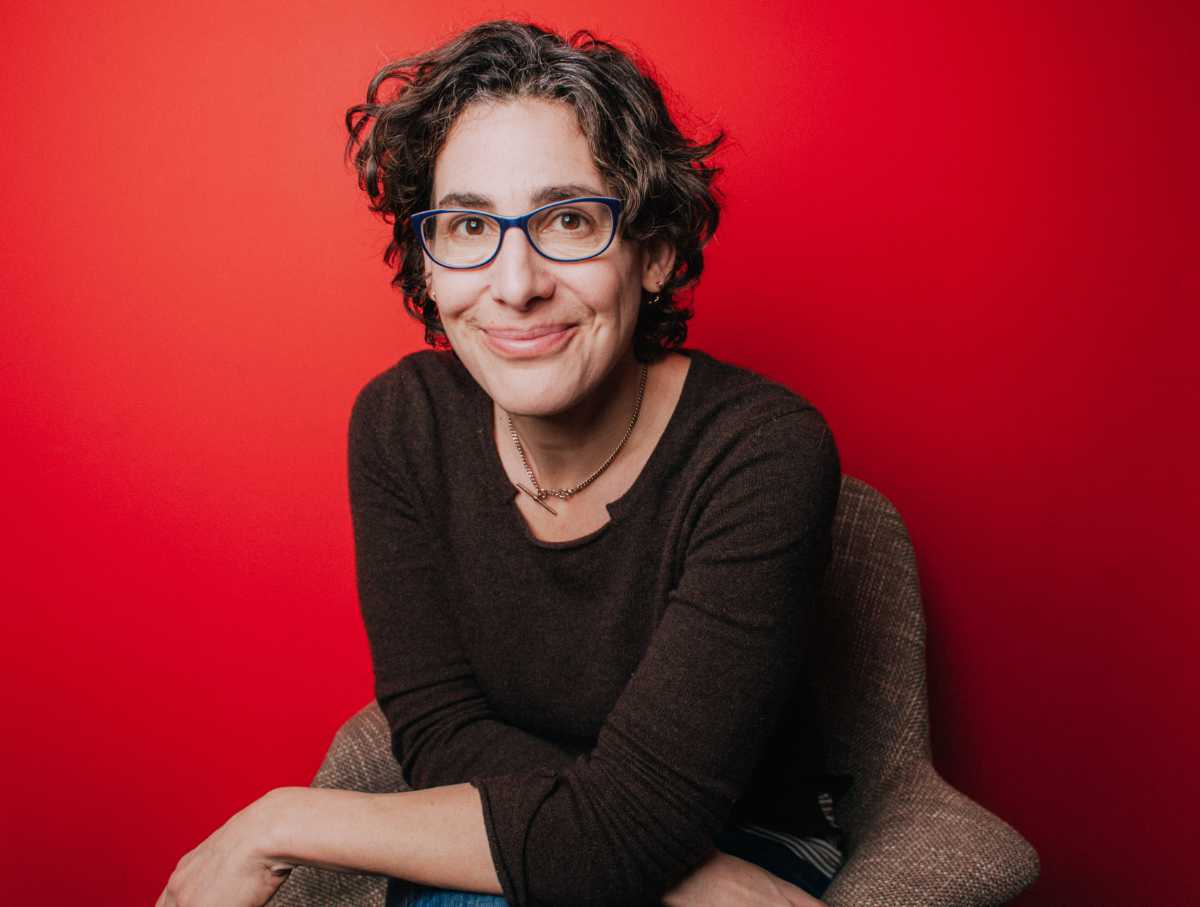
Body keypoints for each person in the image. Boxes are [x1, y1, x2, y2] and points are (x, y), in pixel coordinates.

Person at [157, 20, 848, 907]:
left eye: (568, 218)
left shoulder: (763, 451)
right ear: (428, 263)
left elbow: (629, 823)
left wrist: (281, 818)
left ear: (656, 251)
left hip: (747, 834)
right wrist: (619, 834)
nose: (514, 282)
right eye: (469, 223)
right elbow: (441, 731)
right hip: (577, 830)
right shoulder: (402, 424)